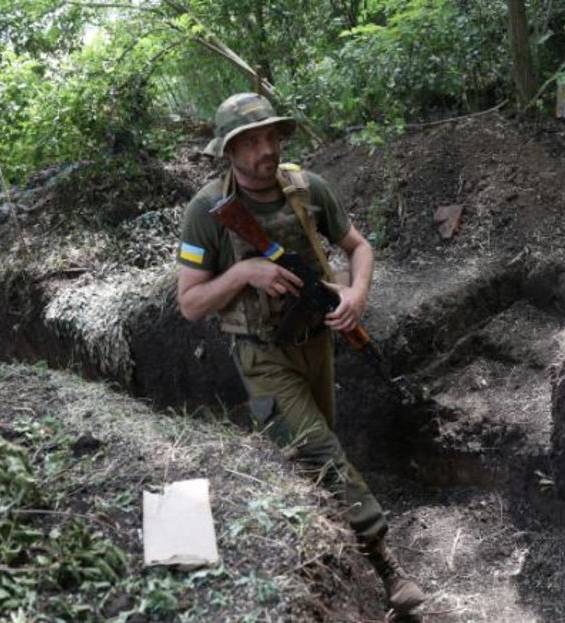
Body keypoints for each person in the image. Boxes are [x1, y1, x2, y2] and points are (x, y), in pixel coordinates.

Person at [175, 92, 427, 615]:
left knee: (315, 451)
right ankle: (385, 564)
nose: (266, 150)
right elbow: (190, 303)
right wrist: (246, 273)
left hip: (317, 342)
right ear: (228, 151)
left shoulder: (307, 187)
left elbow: (359, 247)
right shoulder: (207, 212)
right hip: (262, 355)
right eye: (251, 142)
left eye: (271, 137)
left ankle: (324, 537)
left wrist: (356, 296)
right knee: (320, 453)